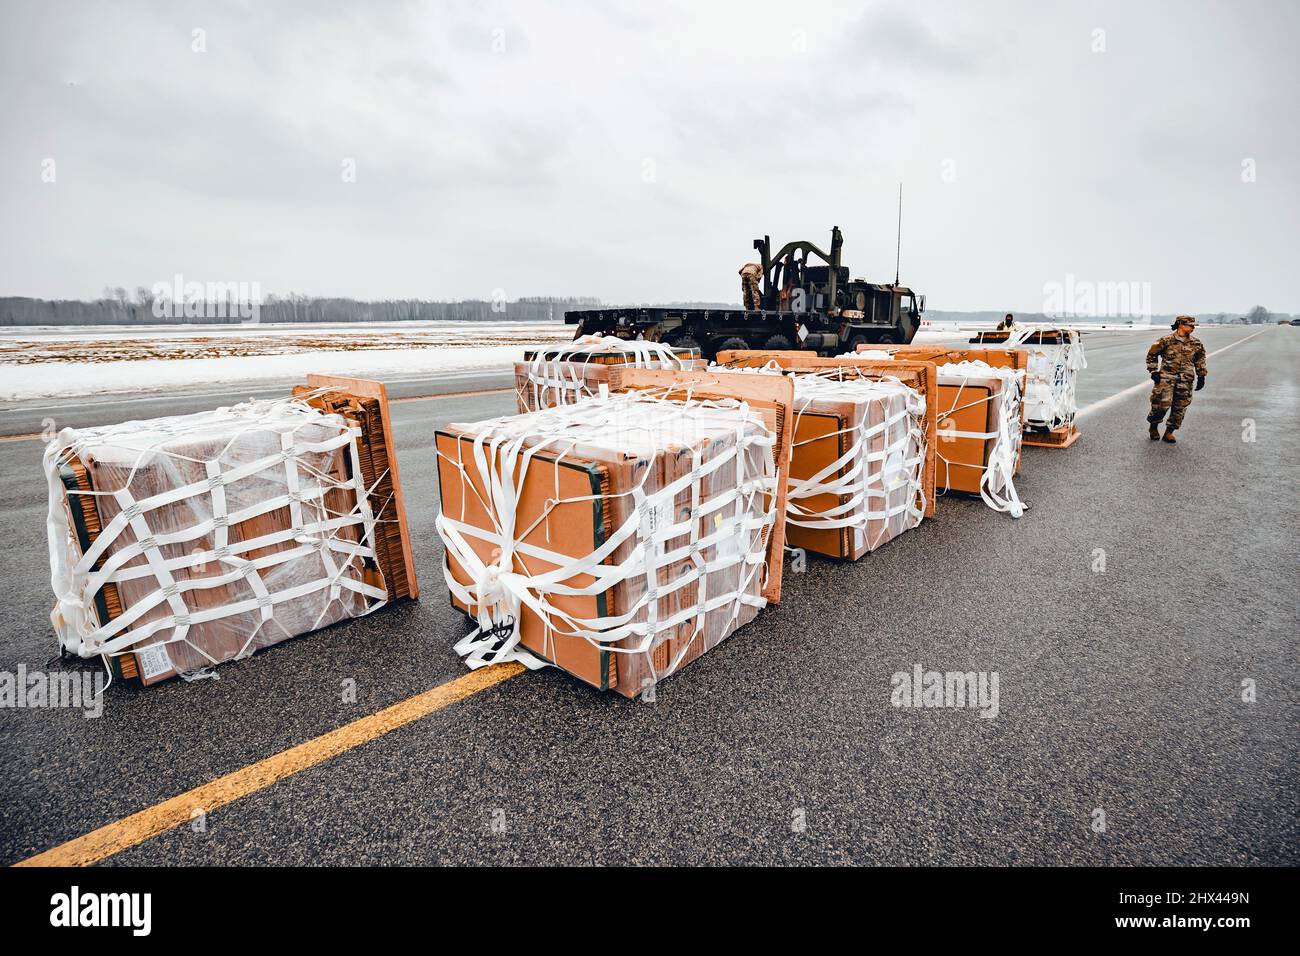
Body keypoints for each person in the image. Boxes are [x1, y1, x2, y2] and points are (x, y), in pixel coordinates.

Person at [1146, 315, 1207, 443]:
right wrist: (1154, 370)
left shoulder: (1196, 343)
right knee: (1160, 406)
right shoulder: (1166, 340)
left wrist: (1201, 375)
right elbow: (1152, 354)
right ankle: (1153, 427)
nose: (1193, 328)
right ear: (1181, 325)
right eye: (1190, 325)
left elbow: (1200, 359)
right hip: (1166, 379)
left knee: (1180, 408)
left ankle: (1169, 432)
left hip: (1185, 380)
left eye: (1193, 325)